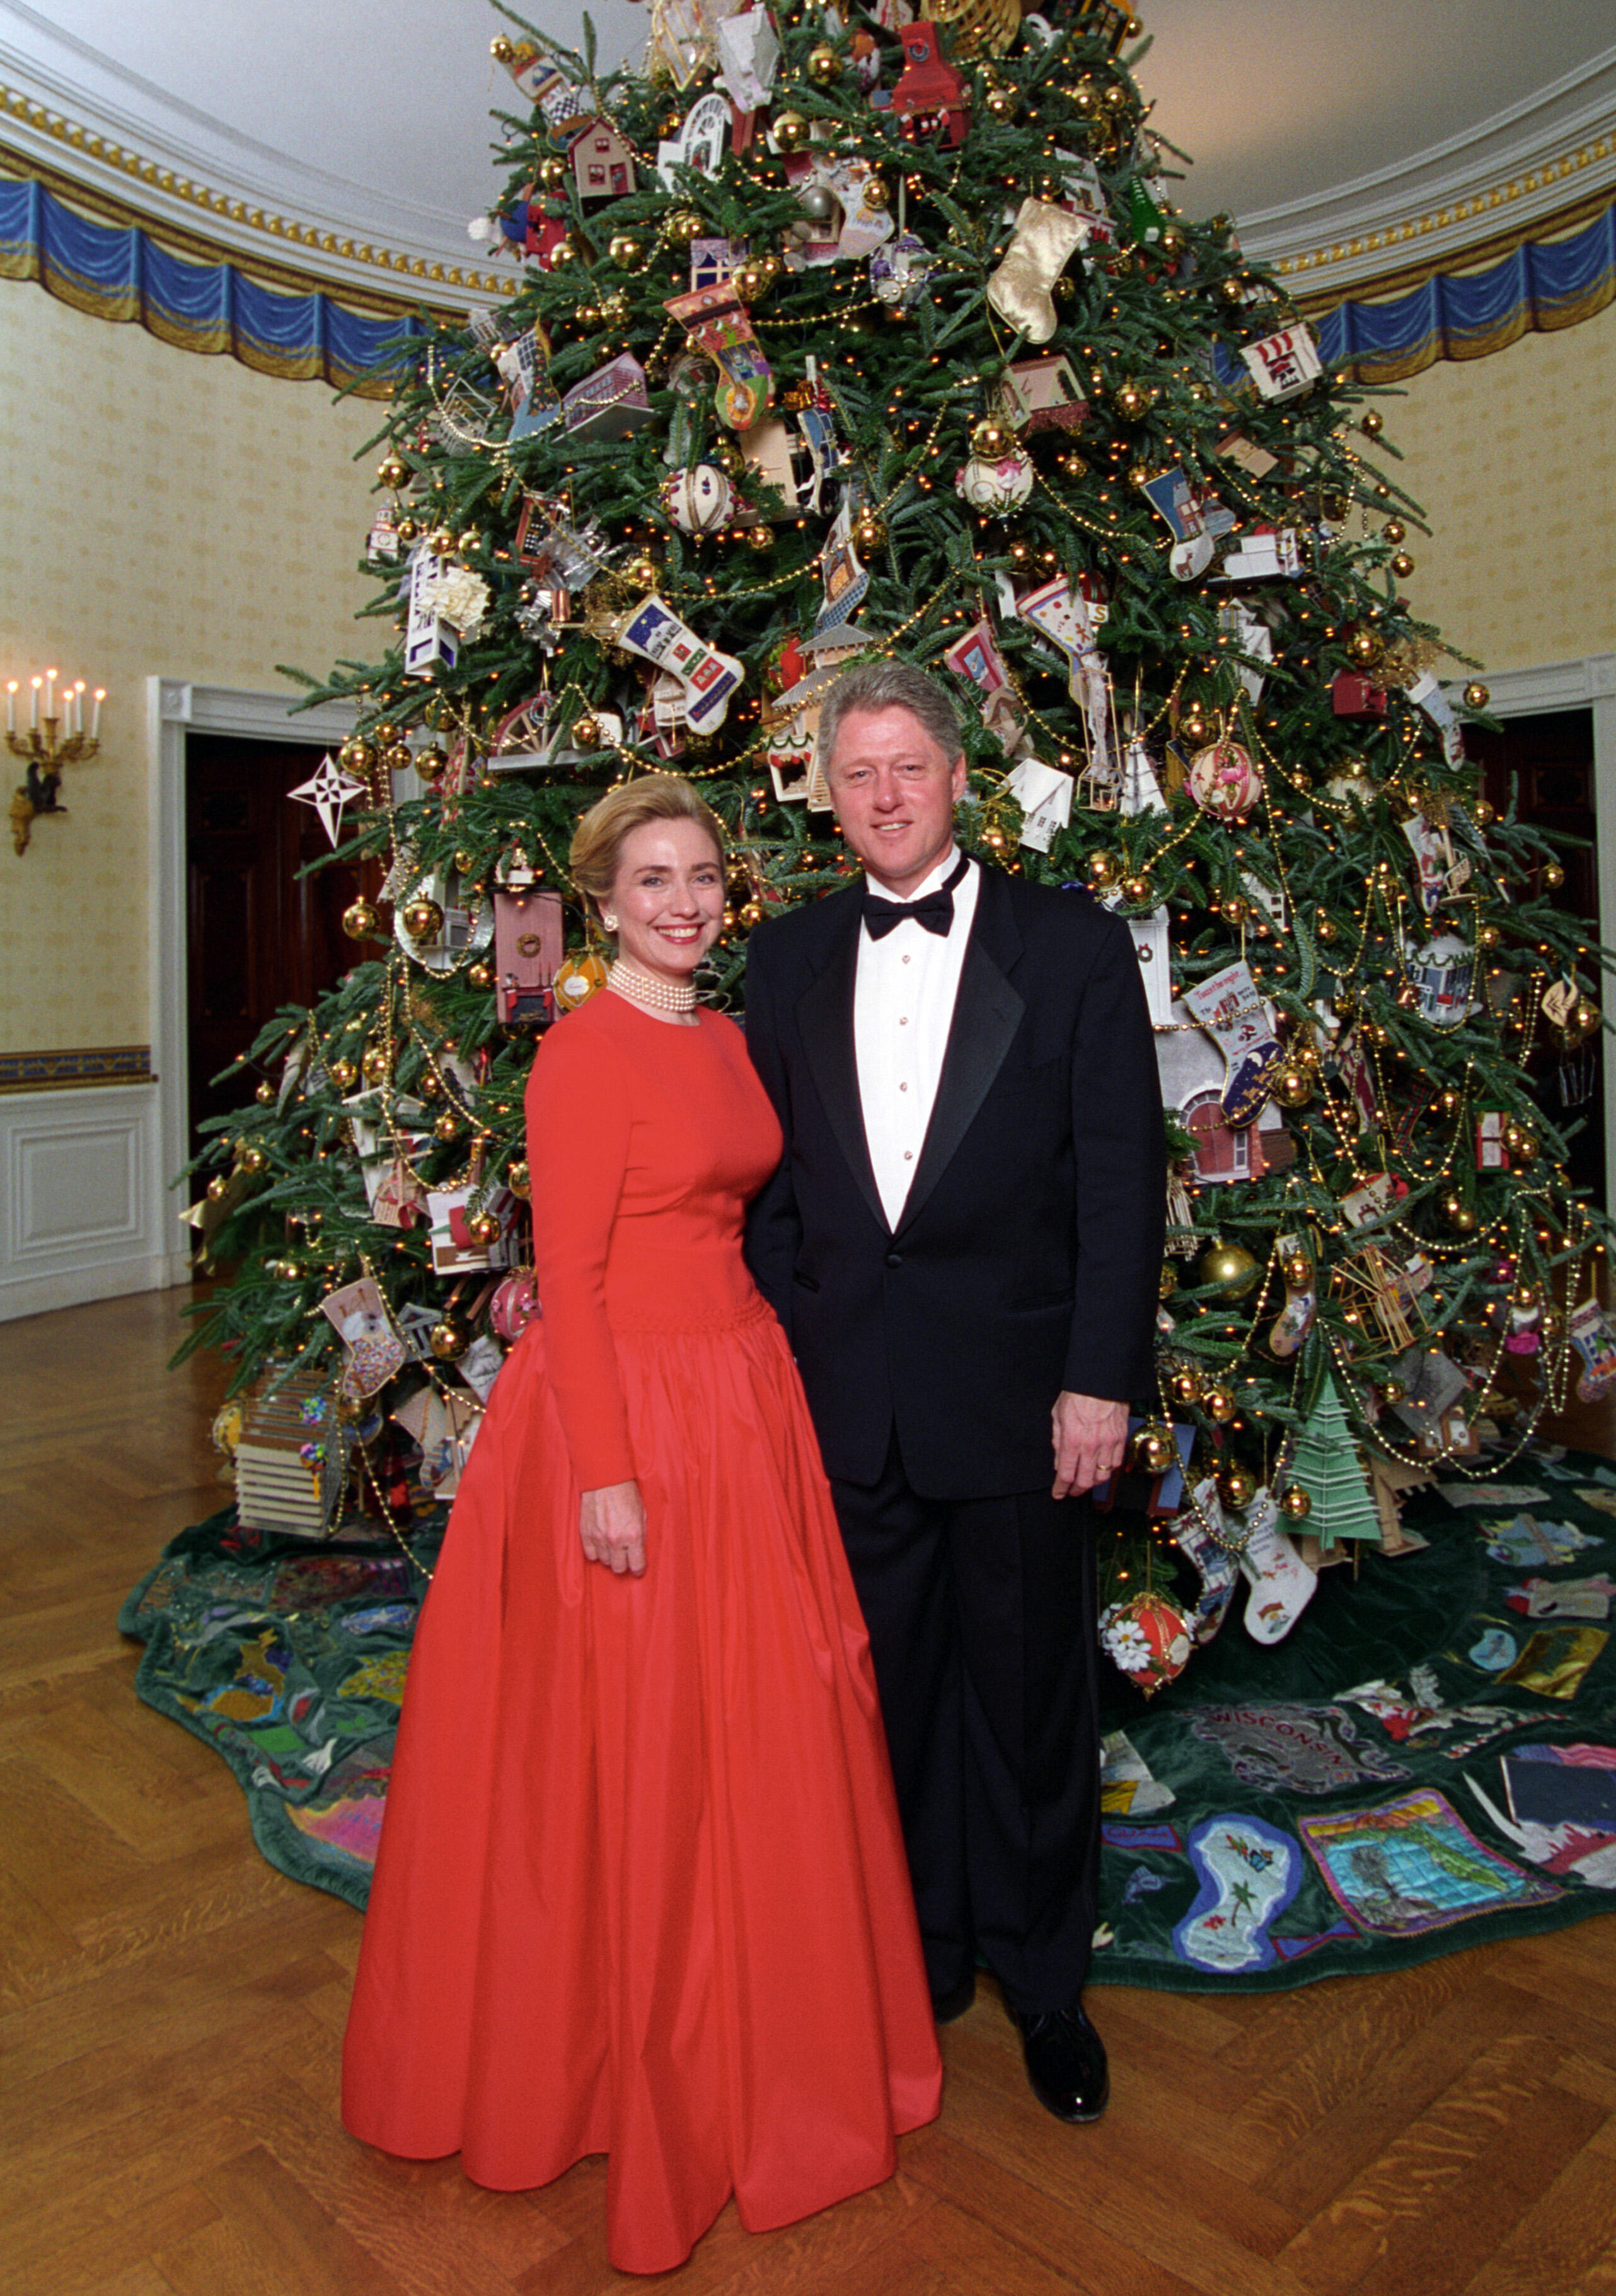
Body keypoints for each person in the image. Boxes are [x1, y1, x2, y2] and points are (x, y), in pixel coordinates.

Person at [342, 775, 940, 2276]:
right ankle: (630, 2071)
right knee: (640, 1749)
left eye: (701, 878)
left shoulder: (730, 1036)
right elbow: (579, 1279)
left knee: (768, 1721)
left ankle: (766, 2048)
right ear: (601, 904)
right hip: (627, 1420)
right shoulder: (580, 1053)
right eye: (650, 881)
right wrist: (604, 1469)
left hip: (744, 1402)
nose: (680, 902)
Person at [744, 662, 1166, 2125]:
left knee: (1032, 1696)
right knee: (889, 1697)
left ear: (958, 773)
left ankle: (1046, 1980)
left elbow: (1120, 1187)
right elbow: (773, 1192)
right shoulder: (783, 959)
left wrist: (1096, 1383)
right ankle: (916, 1952)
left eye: (905, 767)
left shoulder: (1069, 946)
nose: (882, 797)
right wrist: (794, 1357)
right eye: (854, 775)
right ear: (826, 793)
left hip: (1023, 1405)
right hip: (849, 1401)